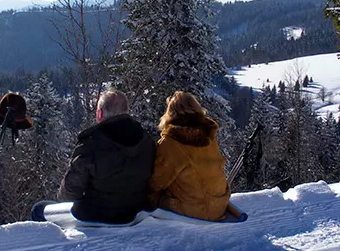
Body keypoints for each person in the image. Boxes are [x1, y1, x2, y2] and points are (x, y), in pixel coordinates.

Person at [39, 90, 156, 224]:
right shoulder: (146, 140)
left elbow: (71, 190)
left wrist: (62, 202)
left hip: (98, 215)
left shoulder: (90, 143)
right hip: (137, 212)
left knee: (39, 209)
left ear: (100, 113)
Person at [147, 91, 230, 221]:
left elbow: (157, 181)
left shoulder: (171, 143)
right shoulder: (208, 134)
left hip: (196, 210)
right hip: (219, 204)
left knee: (150, 196)